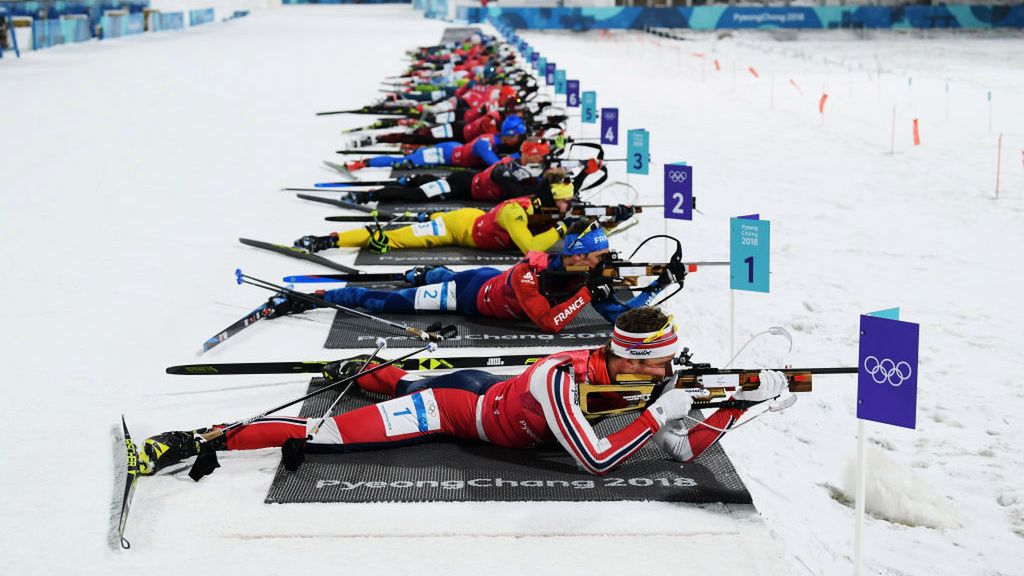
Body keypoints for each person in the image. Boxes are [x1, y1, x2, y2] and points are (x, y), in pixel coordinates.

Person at [138, 306, 795, 477]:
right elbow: (596, 458)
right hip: (458, 411)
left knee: (400, 376)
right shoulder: (567, 382)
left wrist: (741, 401)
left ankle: (363, 372)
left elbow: (686, 451)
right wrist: (658, 418)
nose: (672, 373)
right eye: (664, 365)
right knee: (326, 435)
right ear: (635, 360)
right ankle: (191, 440)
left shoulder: (643, 378)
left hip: (493, 388)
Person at [277, 221, 684, 333]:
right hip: (466, 294)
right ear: (580, 258)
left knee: (435, 275)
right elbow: (548, 324)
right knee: (388, 302)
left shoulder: (583, 276)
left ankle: (427, 272)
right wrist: (582, 298)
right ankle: (315, 297)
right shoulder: (531, 275)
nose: (605, 262)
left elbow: (621, 317)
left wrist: (660, 283)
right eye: (600, 256)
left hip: (488, 278)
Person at [294, 175, 584, 255]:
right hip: (456, 227)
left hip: (472, 217)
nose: (567, 207)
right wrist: (562, 230)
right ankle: (328, 240)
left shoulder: (540, 208)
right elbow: (530, 249)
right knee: (394, 240)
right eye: (565, 202)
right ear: (551, 199)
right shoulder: (515, 212)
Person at [344, 114, 527, 173]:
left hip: (453, 149)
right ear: (510, 136)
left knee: (411, 156)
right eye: (519, 136)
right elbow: (495, 165)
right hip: (446, 154)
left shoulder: (495, 139)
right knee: (405, 163)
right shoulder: (485, 144)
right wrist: (520, 156)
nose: (519, 140)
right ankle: (362, 163)